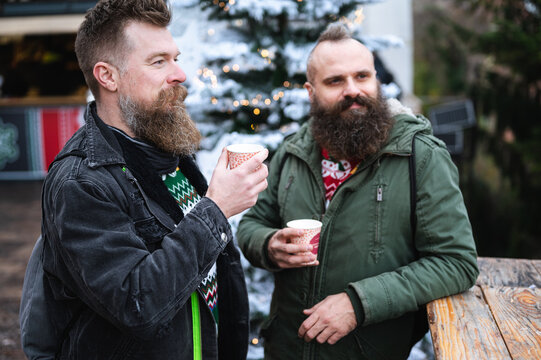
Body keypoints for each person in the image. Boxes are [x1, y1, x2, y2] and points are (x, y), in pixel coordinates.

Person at [35, 0, 268, 359]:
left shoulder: (168, 151)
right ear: (107, 76)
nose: (180, 74)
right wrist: (217, 208)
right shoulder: (81, 182)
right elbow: (136, 304)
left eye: (175, 58)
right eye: (158, 61)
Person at [236, 23, 479, 360]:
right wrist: (268, 245)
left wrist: (358, 303)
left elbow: (456, 262)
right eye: (335, 81)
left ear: (376, 80)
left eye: (362, 76)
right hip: (286, 349)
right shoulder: (293, 152)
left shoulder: (419, 156)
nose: (353, 90)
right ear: (311, 91)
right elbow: (252, 224)